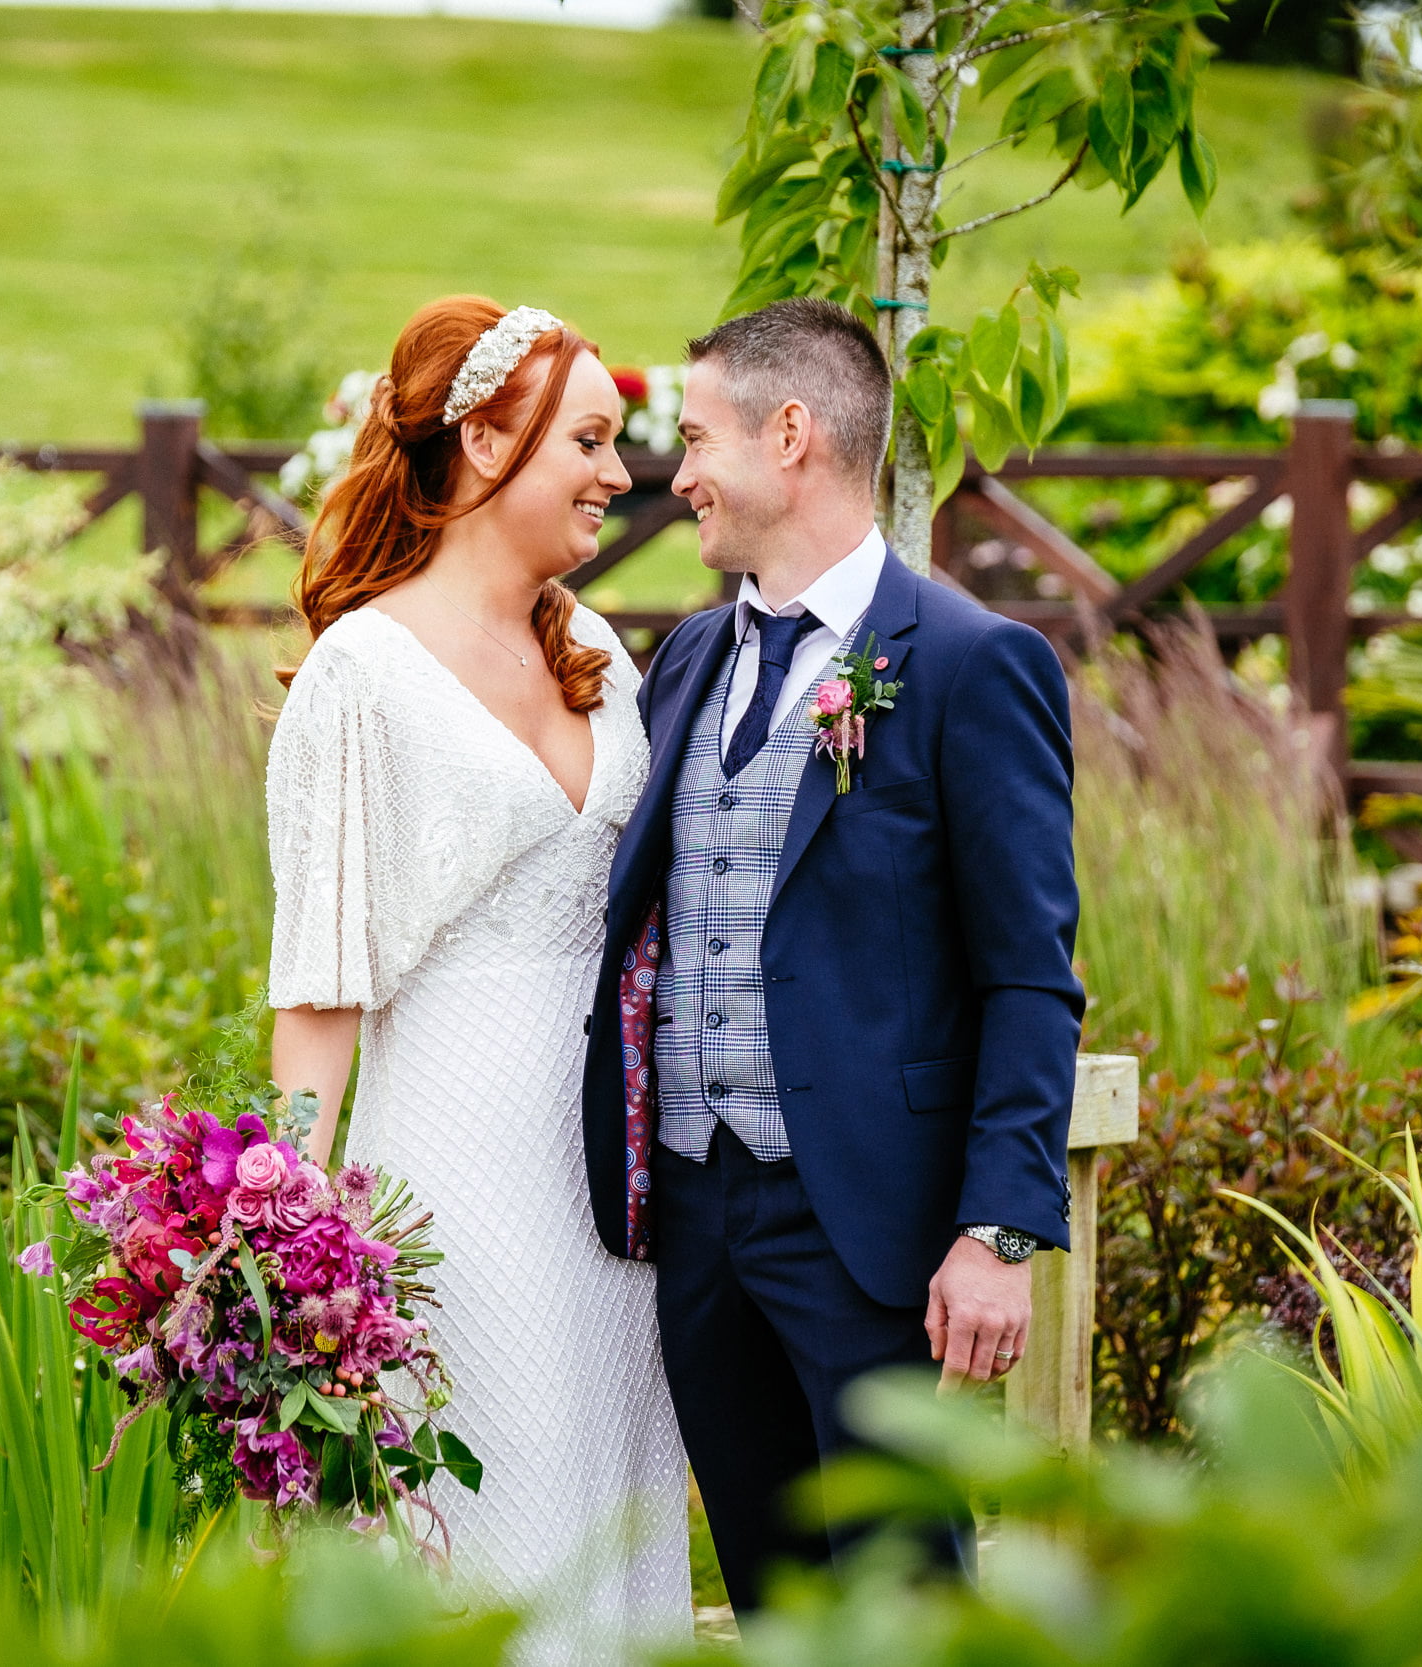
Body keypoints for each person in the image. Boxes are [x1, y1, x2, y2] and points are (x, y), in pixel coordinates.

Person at [581, 297, 1085, 1614]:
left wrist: (996, 1231)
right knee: (774, 1608)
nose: (676, 472)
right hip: (700, 1221)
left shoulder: (974, 665)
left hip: (876, 1234)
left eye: (696, 438)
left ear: (790, 434)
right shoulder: (689, 657)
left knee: (904, 1609)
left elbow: (1032, 972)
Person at [263, 297, 689, 1661]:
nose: (623, 476)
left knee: (612, 1515)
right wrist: (288, 1251)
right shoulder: (363, 673)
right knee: (499, 1522)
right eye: (592, 439)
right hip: (455, 1171)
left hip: (610, 1182)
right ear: (488, 438)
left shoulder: (598, 654)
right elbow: (319, 989)